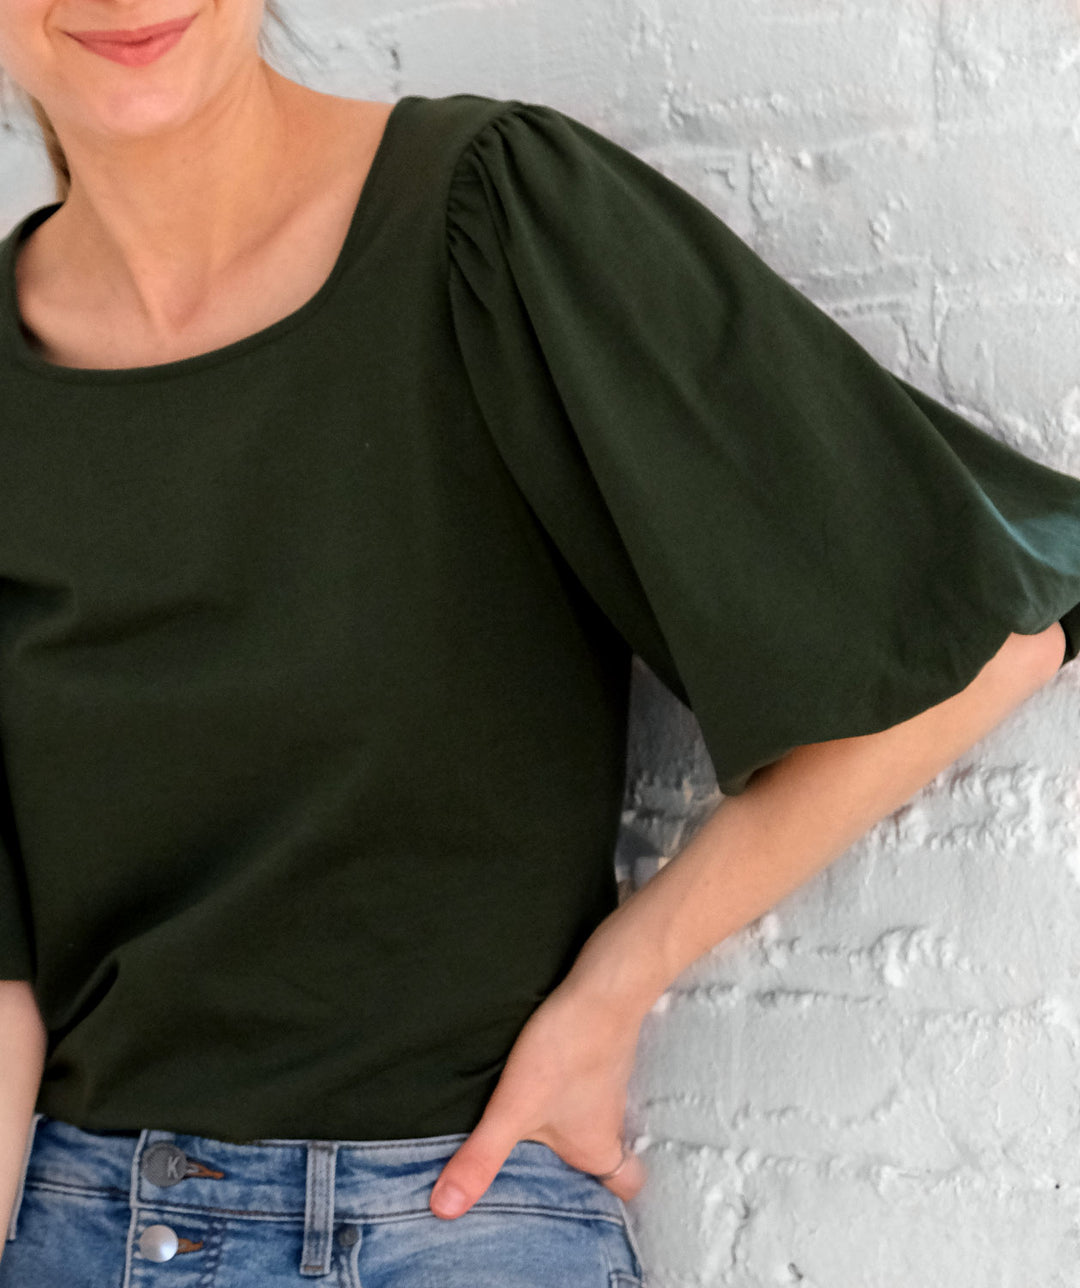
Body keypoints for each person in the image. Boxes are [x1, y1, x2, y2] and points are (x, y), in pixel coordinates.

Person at [0, 3, 1078, 1285]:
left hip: (448, 1225)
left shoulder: (491, 217)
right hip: (74, 1224)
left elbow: (976, 626)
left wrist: (621, 975)